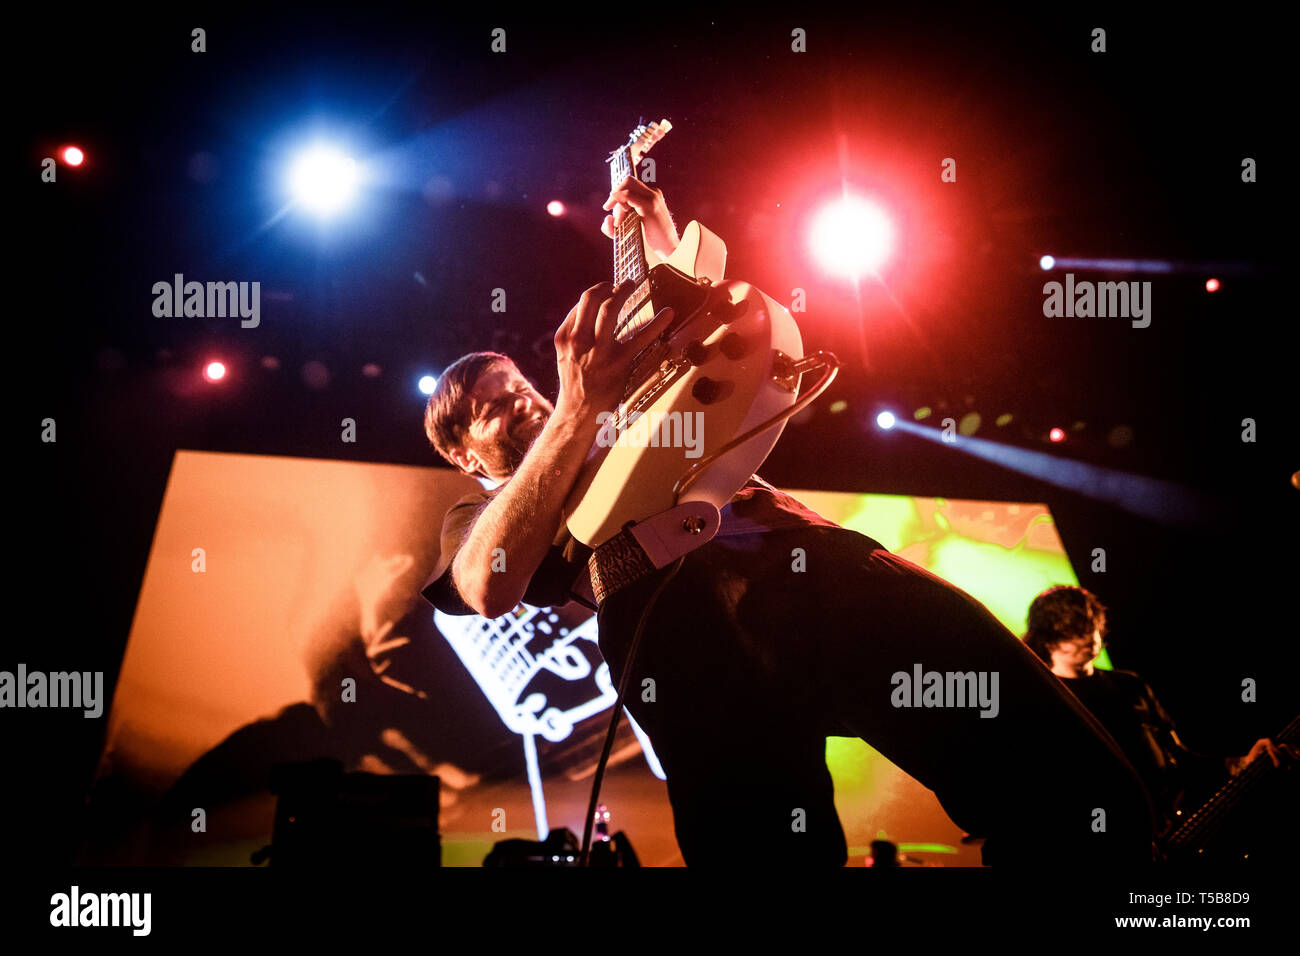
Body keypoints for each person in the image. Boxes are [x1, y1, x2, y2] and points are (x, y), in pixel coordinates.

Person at [420, 177, 1156, 866]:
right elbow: (487, 585)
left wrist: (658, 240)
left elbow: (695, 353)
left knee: (1079, 788)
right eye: (494, 405)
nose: (525, 401)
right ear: (462, 454)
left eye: (521, 386)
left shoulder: (611, 417)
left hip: (823, 569)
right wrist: (578, 408)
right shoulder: (483, 511)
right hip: (686, 633)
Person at [1024, 585, 1290, 829]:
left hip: (1166, 830)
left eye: (1090, 624)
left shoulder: (1129, 685)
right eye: (1074, 629)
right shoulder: (1043, 700)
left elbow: (1178, 758)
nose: (1089, 636)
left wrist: (1241, 763)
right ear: (1048, 637)